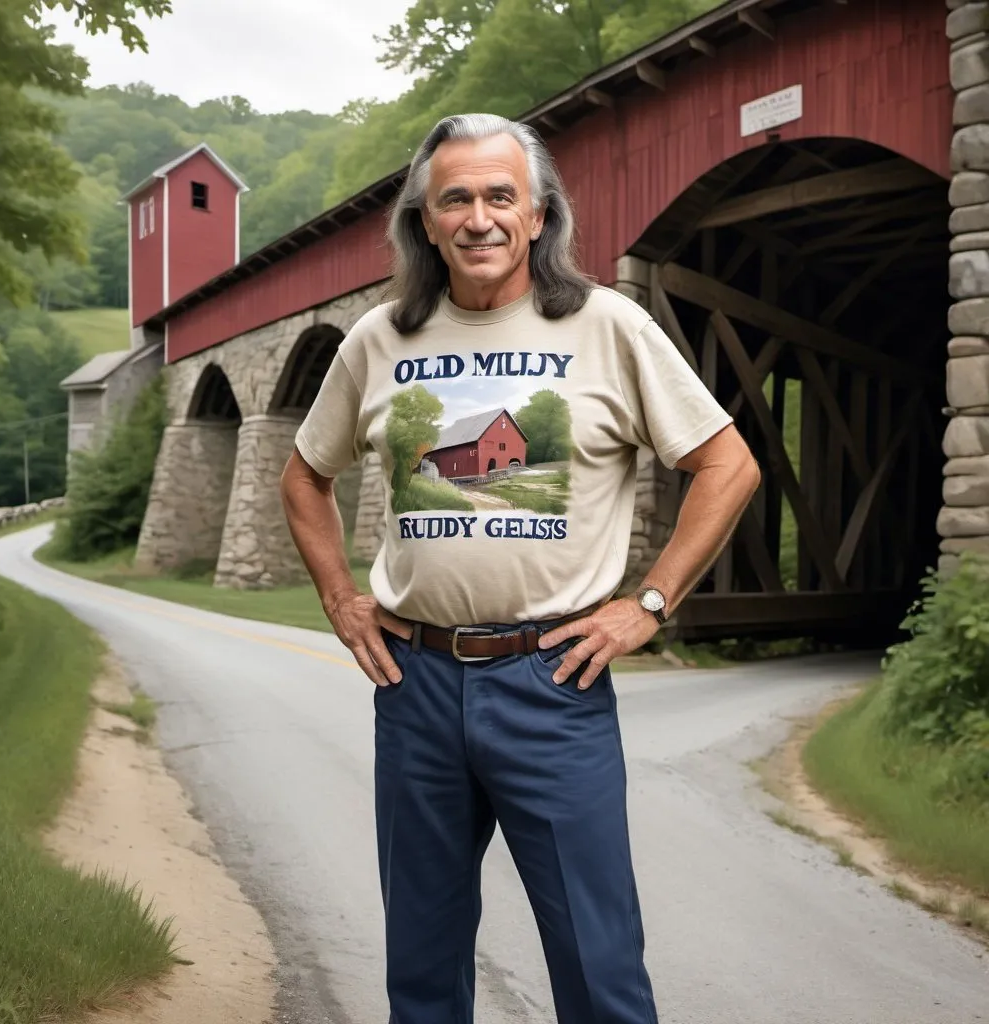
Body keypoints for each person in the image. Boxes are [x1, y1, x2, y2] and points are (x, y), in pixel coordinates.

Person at [280, 112, 761, 1024]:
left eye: (501, 195)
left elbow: (727, 465)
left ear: (539, 215)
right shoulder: (379, 341)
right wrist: (343, 600)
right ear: (425, 221)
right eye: (453, 198)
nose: (478, 217)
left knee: (599, 966)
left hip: (553, 682)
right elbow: (304, 475)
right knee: (420, 967)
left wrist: (648, 605)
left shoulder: (606, 326)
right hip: (413, 682)